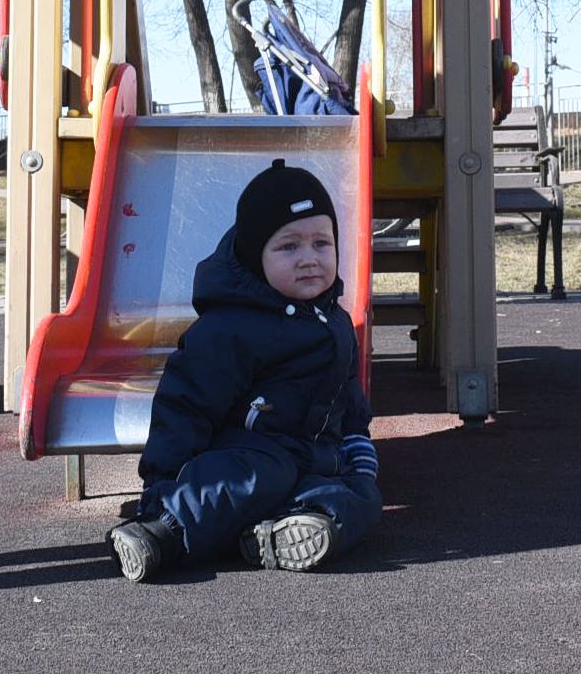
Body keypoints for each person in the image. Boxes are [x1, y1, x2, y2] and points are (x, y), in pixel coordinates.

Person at [106, 158, 382, 581]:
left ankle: (287, 532)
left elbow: (347, 394)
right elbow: (185, 403)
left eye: (321, 244)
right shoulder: (229, 328)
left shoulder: (335, 321)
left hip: (311, 461)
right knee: (257, 476)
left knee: (362, 495)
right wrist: (160, 482)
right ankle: (161, 532)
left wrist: (356, 443)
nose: (309, 259)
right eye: (288, 247)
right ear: (256, 256)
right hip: (244, 453)